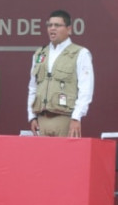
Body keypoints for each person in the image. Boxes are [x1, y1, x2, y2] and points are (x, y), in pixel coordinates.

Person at [28, 10, 93, 138]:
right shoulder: (40, 54)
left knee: (65, 157)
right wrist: (31, 116)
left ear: (69, 29)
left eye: (57, 25)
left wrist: (76, 117)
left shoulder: (80, 53)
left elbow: (86, 89)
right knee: (42, 158)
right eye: (49, 25)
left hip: (65, 118)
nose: (52, 28)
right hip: (42, 119)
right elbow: (33, 87)